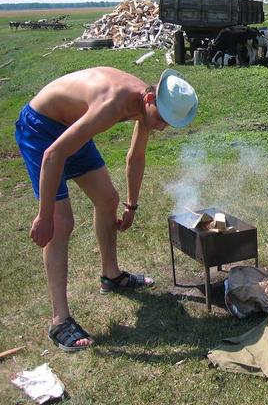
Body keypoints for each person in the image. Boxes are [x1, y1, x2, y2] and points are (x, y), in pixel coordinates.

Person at [14, 67, 198, 352]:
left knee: (107, 199)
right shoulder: (113, 103)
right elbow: (54, 154)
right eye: (161, 119)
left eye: (168, 123)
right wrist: (44, 215)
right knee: (62, 223)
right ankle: (59, 321)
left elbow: (135, 157)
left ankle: (111, 275)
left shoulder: (145, 104)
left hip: (73, 125)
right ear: (150, 98)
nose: (161, 126)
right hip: (41, 128)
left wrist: (131, 205)